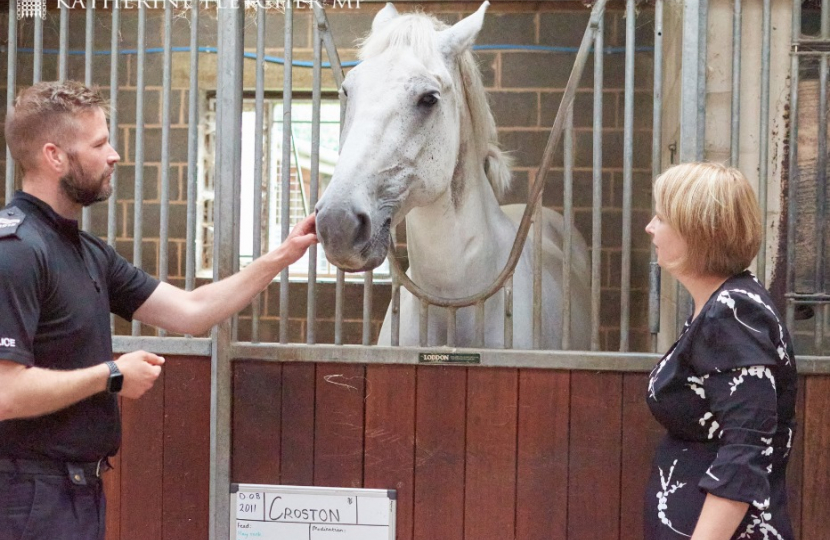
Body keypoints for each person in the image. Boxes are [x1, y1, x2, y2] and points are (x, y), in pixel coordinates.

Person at [0, 81, 317, 540]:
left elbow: (191, 312)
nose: (114, 155)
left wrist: (283, 256)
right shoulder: (18, 251)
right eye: (99, 143)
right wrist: (109, 375)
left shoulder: (87, 252)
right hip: (26, 495)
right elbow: (5, 392)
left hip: (76, 489)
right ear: (55, 157)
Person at [643, 162, 797, 539]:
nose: (650, 227)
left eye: (662, 217)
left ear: (697, 231)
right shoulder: (716, 306)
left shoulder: (733, 314)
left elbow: (745, 450)